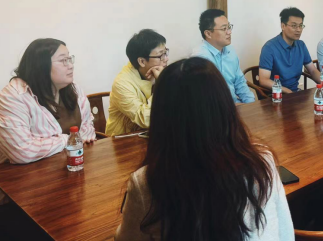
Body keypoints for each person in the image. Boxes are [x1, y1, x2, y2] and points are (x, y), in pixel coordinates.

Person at [115, 57, 294, 241]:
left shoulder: (148, 181)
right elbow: (285, 231)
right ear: (225, 107)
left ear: (161, 117)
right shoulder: (261, 160)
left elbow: (126, 237)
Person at [0, 39, 96, 208]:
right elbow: (23, 151)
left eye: (70, 59)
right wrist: (68, 140)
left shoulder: (74, 89)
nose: (70, 65)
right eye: (63, 60)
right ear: (41, 65)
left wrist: (76, 140)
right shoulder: (12, 98)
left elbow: (87, 132)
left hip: (64, 183)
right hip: (7, 196)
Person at [106, 29, 168, 136]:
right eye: (160, 56)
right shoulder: (121, 83)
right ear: (142, 61)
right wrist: (161, 84)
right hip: (124, 140)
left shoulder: (162, 71)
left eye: (166, 53)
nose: (166, 59)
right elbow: (145, 119)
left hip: (154, 134)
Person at [192, 9, 254, 103]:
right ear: (208, 34)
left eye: (229, 27)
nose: (229, 32)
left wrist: (251, 104)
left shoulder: (230, 50)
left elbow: (240, 83)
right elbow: (206, 96)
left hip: (235, 106)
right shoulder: (200, 58)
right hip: (216, 109)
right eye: (224, 29)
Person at [259, 7, 320, 93]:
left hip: (295, 93)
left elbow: (313, 71)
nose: (298, 30)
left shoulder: (301, 45)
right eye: (294, 26)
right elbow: (264, 80)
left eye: (300, 26)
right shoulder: (269, 47)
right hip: (276, 95)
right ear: (283, 26)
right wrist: (288, 91)